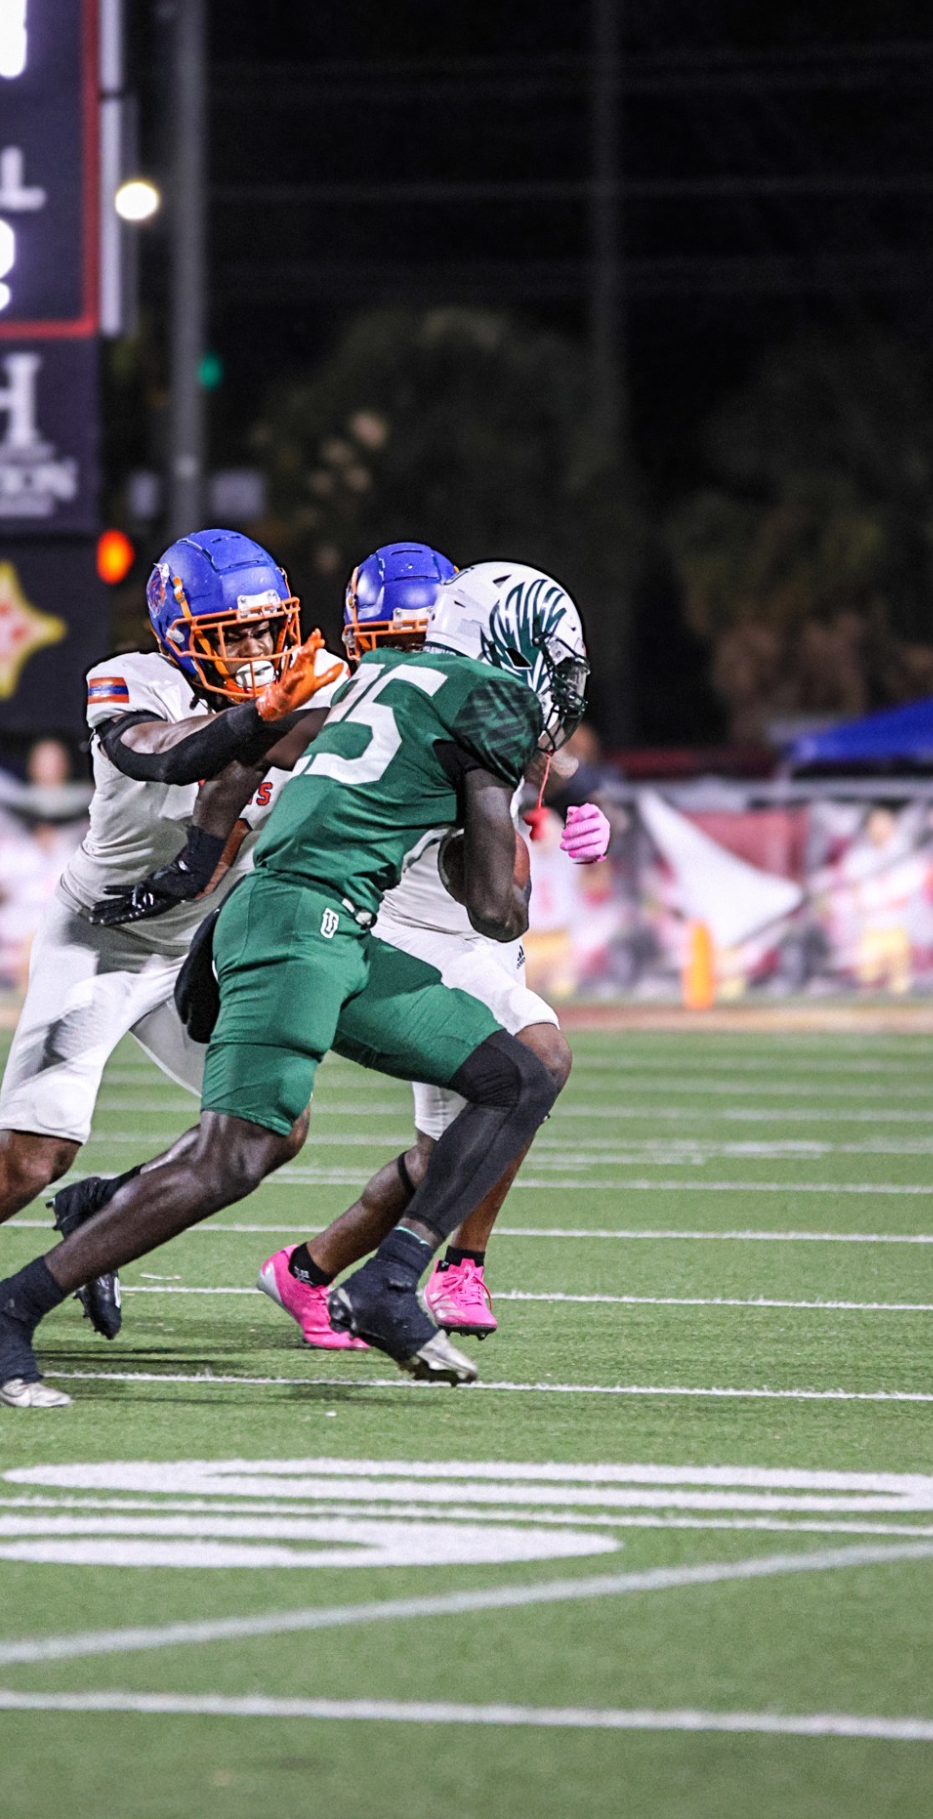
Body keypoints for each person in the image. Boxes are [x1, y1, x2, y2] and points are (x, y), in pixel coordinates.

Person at [0, 559, 591, 1406]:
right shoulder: (488, 702)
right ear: (515, 645)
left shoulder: (387, 673)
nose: (564, 685)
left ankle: (388, 1284)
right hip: (299, 926)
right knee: (236, 1155)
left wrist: (199, 886)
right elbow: (497, 916)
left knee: (519, 1074)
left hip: (318, 926)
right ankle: (6, 1307)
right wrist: (500, 820)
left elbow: (250, 757)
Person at [0, 529, 340, 1388]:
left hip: (190, 946)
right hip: (101, 938)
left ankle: (106, 1211)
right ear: (181, 633)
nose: (261, 651)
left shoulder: (305, 689)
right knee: (29, 1161)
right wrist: (266, 714)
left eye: (269, 630)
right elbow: (165, 751)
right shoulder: (131, 681)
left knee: (271, 1125)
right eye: (235, 633)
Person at [258, 543, 610, 1347]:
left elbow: (544, 756)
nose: (413, 659)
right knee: (527, 1073)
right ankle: (440, 1269)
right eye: (395, 642)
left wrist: (586, 805)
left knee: (453, 1147)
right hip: (400, 928)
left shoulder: (485, 699)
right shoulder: (373, 697)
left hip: (469, 935)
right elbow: (272, 751)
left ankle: (312, 1270)